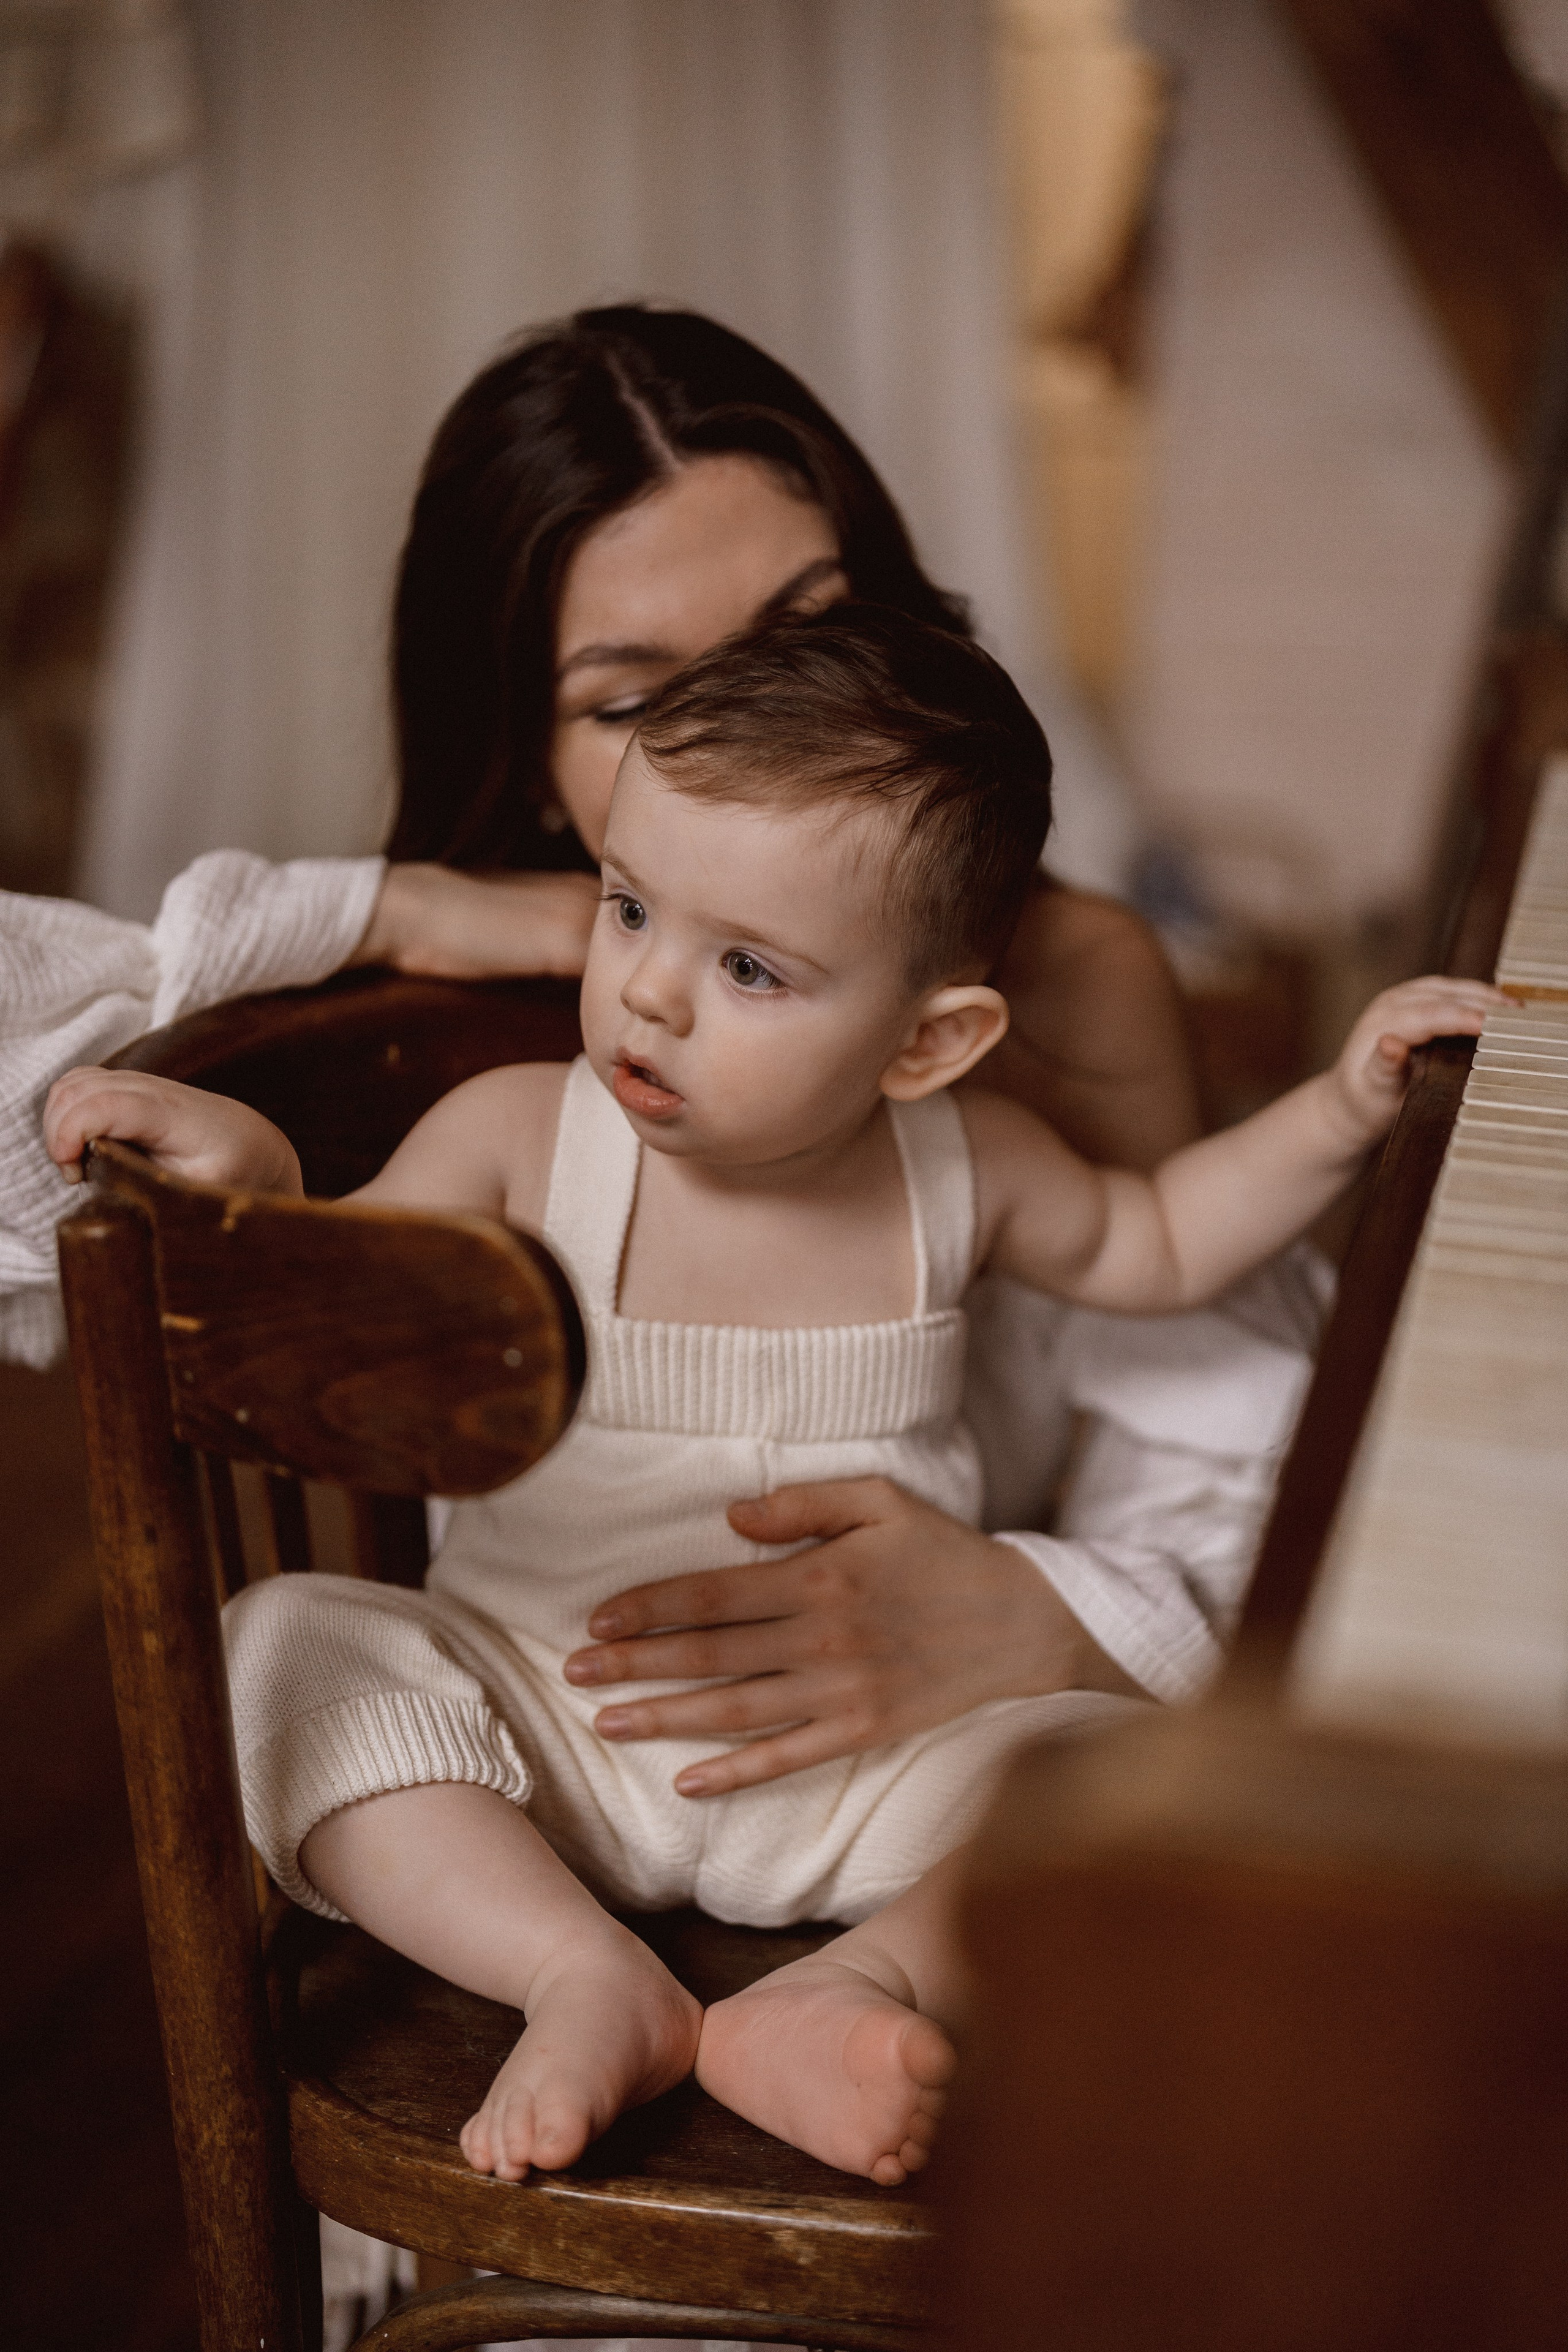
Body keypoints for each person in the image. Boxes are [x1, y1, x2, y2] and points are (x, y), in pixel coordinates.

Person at [45, 606, 1499, 2189]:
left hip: (874, 1769)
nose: (648, 997)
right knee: (281, 1654)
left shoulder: (970, 1174)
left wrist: (1343, 1107)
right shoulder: (522, 1134)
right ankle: (574, 1972)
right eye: (627, 910)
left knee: (1102, 1777)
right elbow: (340, 1312)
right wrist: (267, 1183)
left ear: (928, 1043)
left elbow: (1159, 1240)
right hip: (540, 1723)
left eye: (747, 967)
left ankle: (840, 1992)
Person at [6, 302, 1256, 1777]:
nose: (752, 737)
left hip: (948, 1759)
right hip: (556, 1756)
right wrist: (392, 905)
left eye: (811, 632)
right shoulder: (478, 1034)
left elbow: (1212, 1446)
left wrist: (1032, 1615)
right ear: (528, 760)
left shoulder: (1064, 984)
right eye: (638, 700)